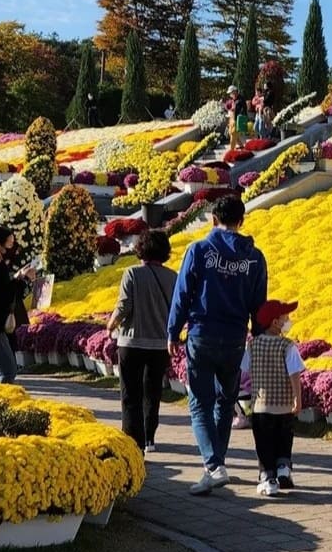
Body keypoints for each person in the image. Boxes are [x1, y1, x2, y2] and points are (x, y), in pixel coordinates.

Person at [168, 195, 268, 495]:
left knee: (200, 403)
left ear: (213, 219)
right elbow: (258, 304)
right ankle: (217, 465)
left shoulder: (199, 250)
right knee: (226, 401)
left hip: (202, 334)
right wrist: (259, 335)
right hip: (235, 338)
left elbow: (183, 294)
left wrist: (172, 332)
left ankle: (214, 466)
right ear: (242, 220)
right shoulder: (254, 258)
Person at [106, 229, 178, 454]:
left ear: (140, 249)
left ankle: (132, 441)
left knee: (130, 395)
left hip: (131, 343)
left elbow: (124, 306)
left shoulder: (132, 274)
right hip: (159, 344)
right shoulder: (172, 277)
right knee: (152, 391)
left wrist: (110, 326)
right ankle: (150, 438)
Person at [243, 299, 305, 496]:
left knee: (264, 444)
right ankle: (283, 469)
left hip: (261, 406)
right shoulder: (288, 346)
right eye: (285, 318)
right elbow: (294, 374)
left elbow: (244, 369)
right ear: (275, 322)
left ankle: (268, 478)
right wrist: (298, 398)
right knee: (283, 439)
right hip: (284, 406)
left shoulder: (252, 346)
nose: (289, 320)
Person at [0, 226, 35, 384]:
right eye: (10, 244)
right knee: (7, 371)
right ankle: (3, 405)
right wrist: (24, 280)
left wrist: (17, 278)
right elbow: (4, 295)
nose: (13, 248)